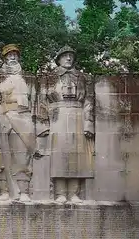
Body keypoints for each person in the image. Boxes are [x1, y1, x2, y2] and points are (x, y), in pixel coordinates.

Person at [36, 45, 95, 203]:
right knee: (59, 155)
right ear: (59, 58)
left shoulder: (83, 77)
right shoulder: (49, 77)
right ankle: (60, 192)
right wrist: (43, 125)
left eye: (71, 55)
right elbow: (42, 101)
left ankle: (74, 192)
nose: (68, 58)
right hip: (57, 116)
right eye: (65, 55)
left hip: (77, 114)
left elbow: (89, 100)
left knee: (77, 155)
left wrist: (88, 123)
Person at [0, 44, 35, 202]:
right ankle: (4, 190)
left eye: (15, 54)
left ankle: (24, 190)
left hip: (22, 117)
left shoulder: (29, 78)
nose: (12, 57)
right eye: (9, 55)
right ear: (4, 58)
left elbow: (35, 101)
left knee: (22, 155)